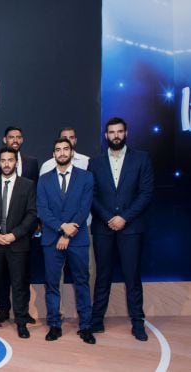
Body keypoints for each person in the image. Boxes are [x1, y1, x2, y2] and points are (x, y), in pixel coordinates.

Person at [89, 117, 154, 341]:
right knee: (102, 276)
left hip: (131, 229)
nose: (115, 135)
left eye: (119, 131)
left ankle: (138, 323)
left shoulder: (141, 159)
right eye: (111, 132)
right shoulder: (95, 163)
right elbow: (93, 195)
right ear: (106, 136)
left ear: (126, 133)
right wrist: (110, 217)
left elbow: (146, 193)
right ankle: (96, 321)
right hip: (103, 228)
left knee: (132, 277)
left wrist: (124, 217)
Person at [36, 138, 96, 344]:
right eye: (58, 150)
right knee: (52, 284)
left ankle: (86, 326)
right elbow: (43, 210)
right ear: (53, 154)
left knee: (82, 282)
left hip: (78, 239)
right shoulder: (44, 180)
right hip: (52, 239)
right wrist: (62, 229)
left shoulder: (86, 178)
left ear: (72, 152)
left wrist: (68, 234)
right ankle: (54, 325)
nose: (62, 153)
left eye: (65, 149)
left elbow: (84, 208)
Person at [0, 146, 37, 339]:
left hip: (17, 244)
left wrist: (14, 235)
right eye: (3, 160)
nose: (7, 164)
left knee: (19, 285)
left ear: (16, 162)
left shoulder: (27, 185)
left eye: (10, 160)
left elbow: (31, 214)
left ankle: (21, 322)